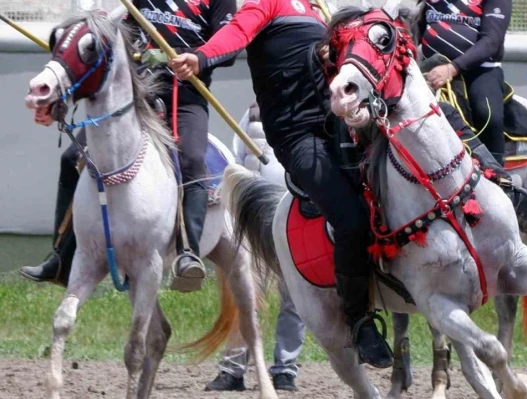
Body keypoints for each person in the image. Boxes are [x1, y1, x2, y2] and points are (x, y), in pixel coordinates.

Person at [168, 0, 394, 369]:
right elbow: (236, 33)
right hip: (298, 137)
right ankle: (359, 321)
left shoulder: (321, 8)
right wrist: (201, 56)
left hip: (345, 126)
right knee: (352, 218)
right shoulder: (265, 4)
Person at [19, 0, 238, 292]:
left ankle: (188, 254)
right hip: (134, 96)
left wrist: (197, 57)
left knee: (192, 161)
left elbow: (230, 46)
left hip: (185, 97)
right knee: (72, 157)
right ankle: (62, 257)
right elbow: (114, 33)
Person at [415, 0, 527, 235]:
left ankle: (505, 193)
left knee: (488, 115)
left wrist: (453, 68)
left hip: (481, 70)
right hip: (429, 69)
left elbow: (491, 42)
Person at [206, 102, 306, 392]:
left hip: (293, 217)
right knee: (244, 293)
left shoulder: (309, 106)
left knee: (293, 296)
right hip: (251, 220)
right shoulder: (251, 113)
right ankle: (233, 369)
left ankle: (285, 368)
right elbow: (236, 161)